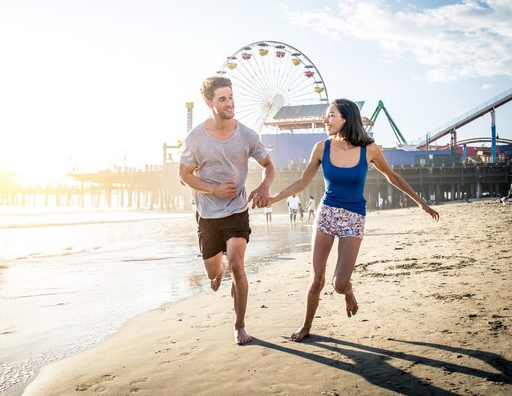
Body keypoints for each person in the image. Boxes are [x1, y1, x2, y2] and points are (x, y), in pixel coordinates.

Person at [268, 98, 439, 342]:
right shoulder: (321, 147)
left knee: (339, 283)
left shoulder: (369, 149)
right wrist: (274, 198)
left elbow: (392, 177)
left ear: (346, 119)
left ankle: (348, 292)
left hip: (354, 218)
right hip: (326, 214)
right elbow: (302, 183)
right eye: (326, 115)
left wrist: (420, 202)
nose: (325, 120)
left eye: (330, 115)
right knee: (317, 279)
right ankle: (306, 326)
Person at [179, 76, 275, 345]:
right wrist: (214, 189)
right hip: (208, 213)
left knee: (237, 265)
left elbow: (269, 165)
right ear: (209, 103)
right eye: (222, 99)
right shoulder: (195, 138)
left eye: (231, 97)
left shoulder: (247, 135)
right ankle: (217, 268)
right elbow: (184, 175)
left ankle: (240, 325)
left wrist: (264, 187)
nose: (229, 103)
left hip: (236, 210)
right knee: (214, 271)